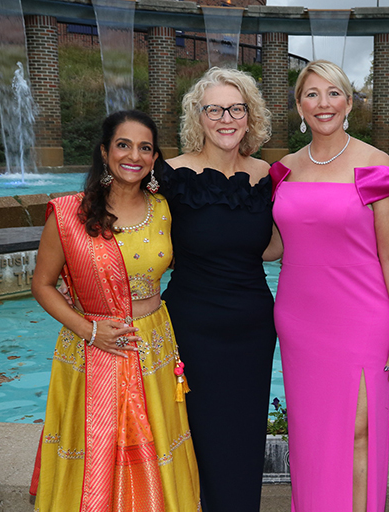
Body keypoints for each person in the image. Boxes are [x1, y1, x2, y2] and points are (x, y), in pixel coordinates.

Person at [30, 110, 200, 511]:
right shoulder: (72, 214)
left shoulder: (164, 209)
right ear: (105, 152)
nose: (134, 156)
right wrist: (90, 330)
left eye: (145, 148)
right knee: (98, 447)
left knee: (155, 442)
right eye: (124, 145)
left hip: (154, 346)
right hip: (93, 349)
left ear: (156, 159)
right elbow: (42, 284)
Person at [268, 60, 389, 512]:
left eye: (333, 93)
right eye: (312, 94)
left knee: (359, 432)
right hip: (300, 322)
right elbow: (272, 245)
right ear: (299, 106)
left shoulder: (375, 166)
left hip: (363, 319)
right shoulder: (284, 170)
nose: (323, 103)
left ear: (349, 102)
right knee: (311, 437)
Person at [160, 67, 275, 512]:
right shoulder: (168, 175)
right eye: (214, 108)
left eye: (236, 108)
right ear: (198, 115)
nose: (226, 117)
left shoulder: (268, 175)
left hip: (251, 328)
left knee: (243, 442)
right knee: (191, 438)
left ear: (250, 115)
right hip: (190, 329)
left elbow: (280, 245)